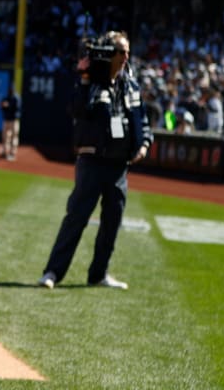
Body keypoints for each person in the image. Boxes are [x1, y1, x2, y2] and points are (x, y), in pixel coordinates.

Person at [38, 31, 152, 290]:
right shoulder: (91, 83)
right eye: (121, 52)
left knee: (112, 222)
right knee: (76, 218)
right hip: (92, 162)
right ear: (109, 53)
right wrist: (85, 77)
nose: (126, 57)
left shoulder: (131, 85)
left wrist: (144, 145)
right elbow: (76, 110)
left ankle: (99, 275)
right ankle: (52, 272)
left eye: (128, 52)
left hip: (119, 166)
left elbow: (143, 121)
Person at [0, 85, 21, 160]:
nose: (10, 91)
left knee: (13, 137)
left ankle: (12, 153)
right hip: (6, 120)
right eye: (9, 90)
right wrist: (2, 105)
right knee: (5, 137)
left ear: (14, 90)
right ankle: (5, 152)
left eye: (11, 90)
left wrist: (8, 106)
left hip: (13, 120)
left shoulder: (16, 98)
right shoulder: (6, 98)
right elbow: (2, 107)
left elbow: (17, 108)